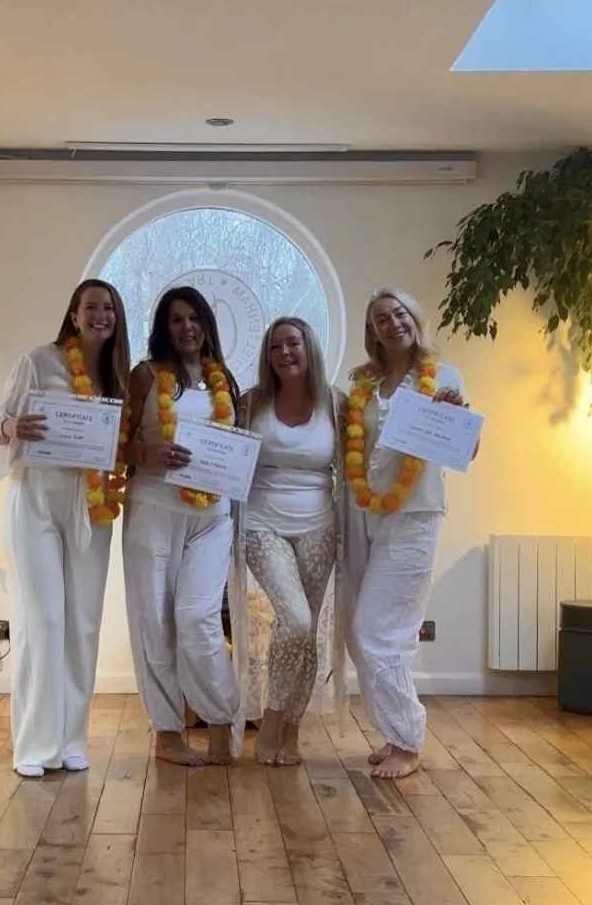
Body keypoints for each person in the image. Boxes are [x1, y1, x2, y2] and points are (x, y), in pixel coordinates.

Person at [0, 280, 130, 778]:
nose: (100, 315)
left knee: (82, 623)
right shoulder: (39, 362)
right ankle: (35, 744)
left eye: (109, 308)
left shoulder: (118, 375)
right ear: (73, 315)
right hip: (36, 500)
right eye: (91, 307)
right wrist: (9, 429)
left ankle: (71, 739)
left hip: (91, 505)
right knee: (42, 619)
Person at [344, 287, 474, 780]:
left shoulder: (445, 376)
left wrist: (456, 415)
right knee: (361, 631)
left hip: (414, 513)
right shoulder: (365, 383)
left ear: (415, 319)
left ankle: (408, 740)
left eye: (399, 313)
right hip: (362, 512)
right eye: (381, 318)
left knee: (380, 629)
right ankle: (392, 731)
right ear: (372, 332)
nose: (393, 323)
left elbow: (468, 449)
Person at [123, 286, 241, 766]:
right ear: (163, 328)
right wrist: (145, 451)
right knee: (154, 621)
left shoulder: (223, 378)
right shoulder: (147, 374)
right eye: (176, 319)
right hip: (154, 509)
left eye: (194, 317)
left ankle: (220, 723)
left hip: (212, 516)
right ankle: (168, 733)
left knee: (198, 617)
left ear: (207, 324)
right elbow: (115, 442)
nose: (187, 327)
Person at [238, 318, 345, 765]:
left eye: (293, 343)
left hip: (320, 526)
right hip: (262, 523)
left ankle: (293, 730)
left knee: (306, 630)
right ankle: (272, 717)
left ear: (309, 348)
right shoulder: (251, 402)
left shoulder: (335, 404)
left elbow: (361, 460)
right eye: (275, 346)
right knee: (296, 619)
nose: (284, 352)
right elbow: (225, 455)